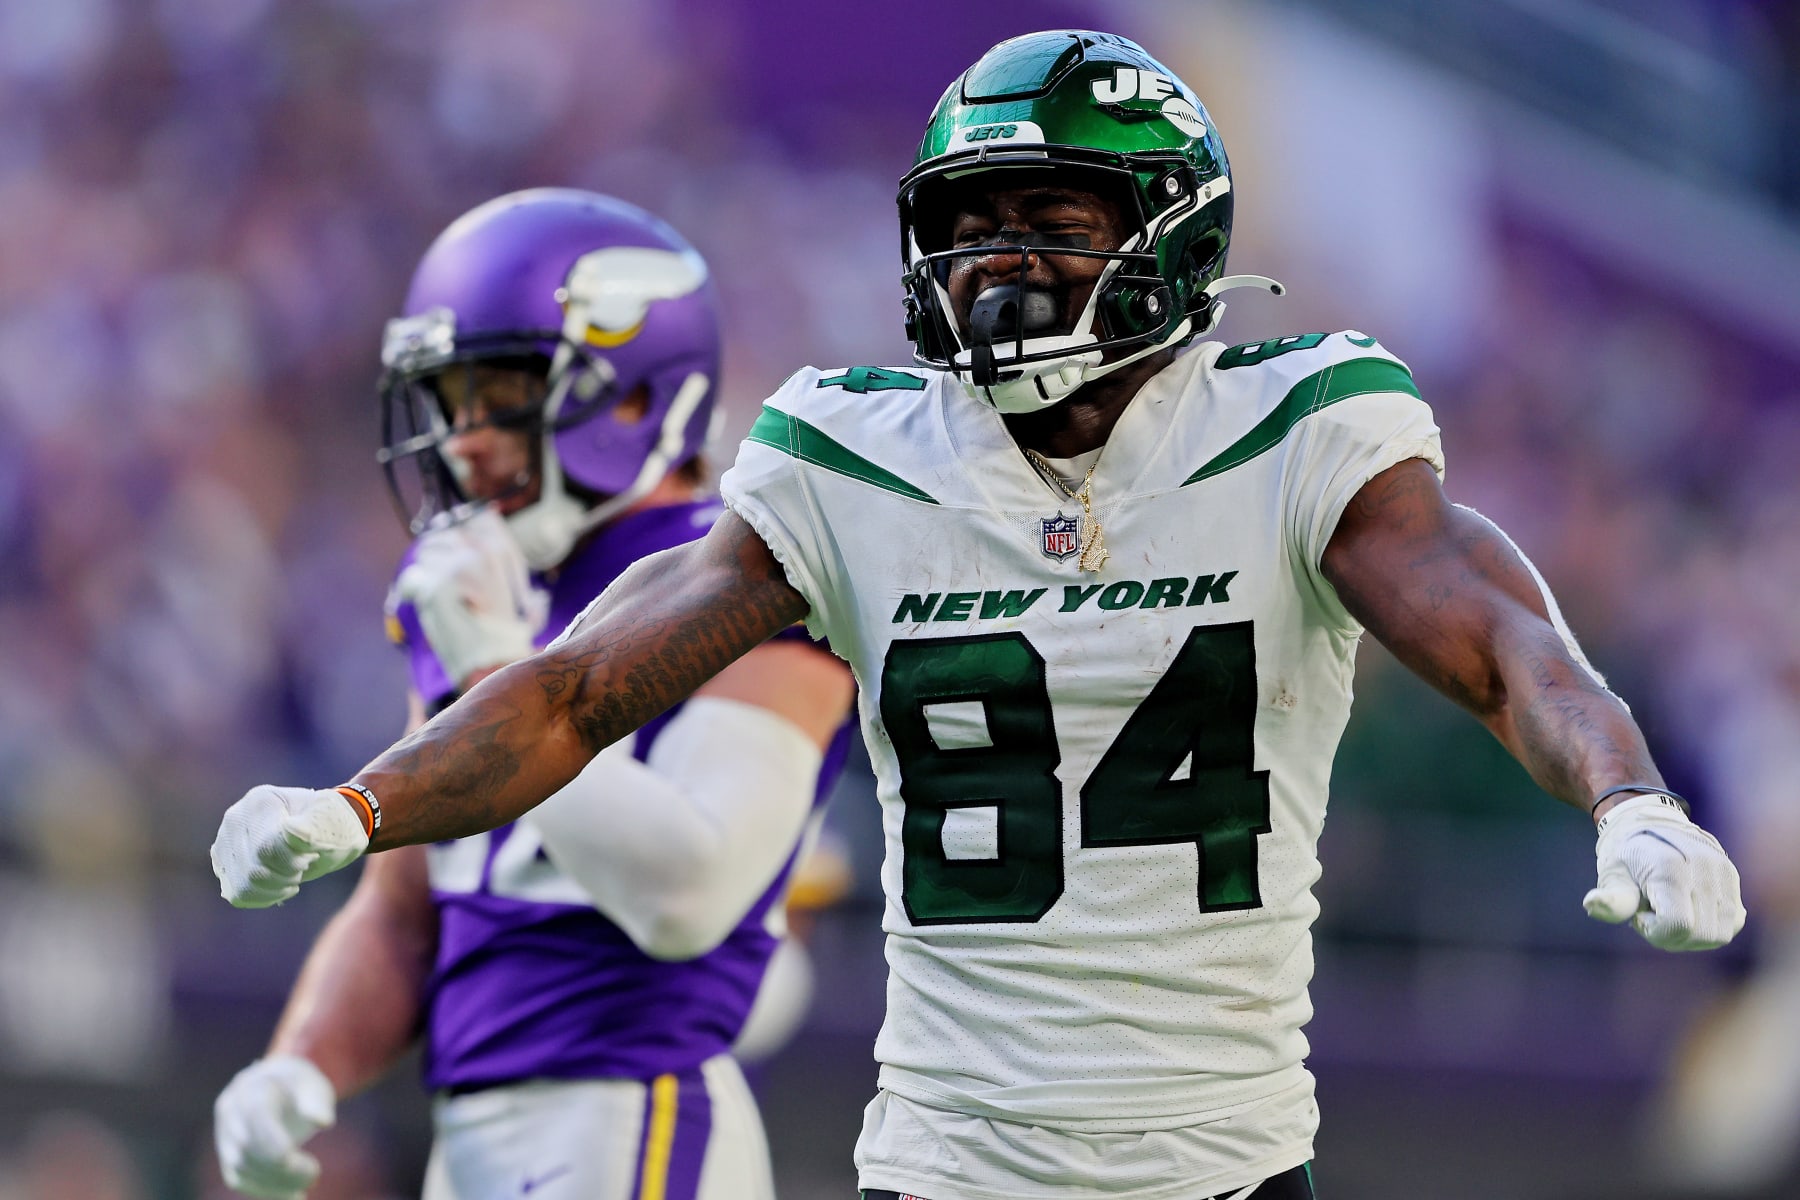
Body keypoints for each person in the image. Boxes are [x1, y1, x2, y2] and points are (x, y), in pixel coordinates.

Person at [210, 33, 1747, 1200]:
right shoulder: (851, 456)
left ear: (1176, 232)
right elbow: (572, 692)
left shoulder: (1299, 426)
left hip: (1220, 1156)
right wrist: (361, 806)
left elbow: (1499, 647)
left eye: (1052, 215)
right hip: (946, 1157)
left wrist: (1631, 799)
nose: (1000, 261)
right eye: (971, 221)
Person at [209, 189, 856, 1200]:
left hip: (633, 1108)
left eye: (498, 394)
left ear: (633, 395)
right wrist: (301, 1062)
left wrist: (489, 672)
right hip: (472, 1130)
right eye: (450, 403)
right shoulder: (489, 592)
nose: (465, 442)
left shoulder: (733, 574)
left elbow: (689, 893)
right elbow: (404, 909)